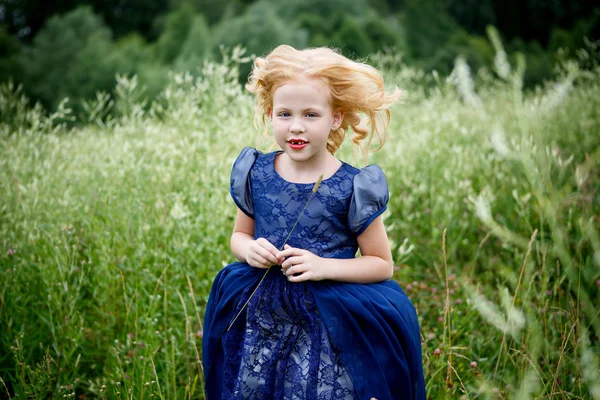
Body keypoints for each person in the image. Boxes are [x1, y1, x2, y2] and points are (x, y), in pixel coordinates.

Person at [202, 44, 425, 400]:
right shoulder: (256, 172)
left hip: (327, 322)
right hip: (264, 317)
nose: (295, 127)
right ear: (270, 113)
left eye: (310, 115)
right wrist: (250, 250)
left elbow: (382, 265)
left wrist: (323, 266)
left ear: (335, 118)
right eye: (284, 113)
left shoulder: (352, 187)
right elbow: (239, 237)